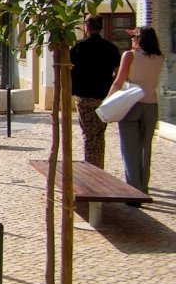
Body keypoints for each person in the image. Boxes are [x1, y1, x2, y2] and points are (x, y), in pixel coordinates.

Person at [107, 26, 164, 196]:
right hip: (151, 104)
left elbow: (119, 81)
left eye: (134, 38)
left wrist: (107, 102)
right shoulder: (160, 57)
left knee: (130, 148)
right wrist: (137, 34)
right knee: (145, 147)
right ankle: (144, 188)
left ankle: (133, 191)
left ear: (139, 39)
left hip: (131, 103)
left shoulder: (129, 55)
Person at [70, 15, 121, 168]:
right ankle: (98, 166)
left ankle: (91, 167)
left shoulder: (79, 47)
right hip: (103, 96)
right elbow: (118, 71)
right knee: (99, 134)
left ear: (87, 27)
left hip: (84, 96)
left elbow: (68, 68)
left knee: (88, 134)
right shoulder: (110, 48)